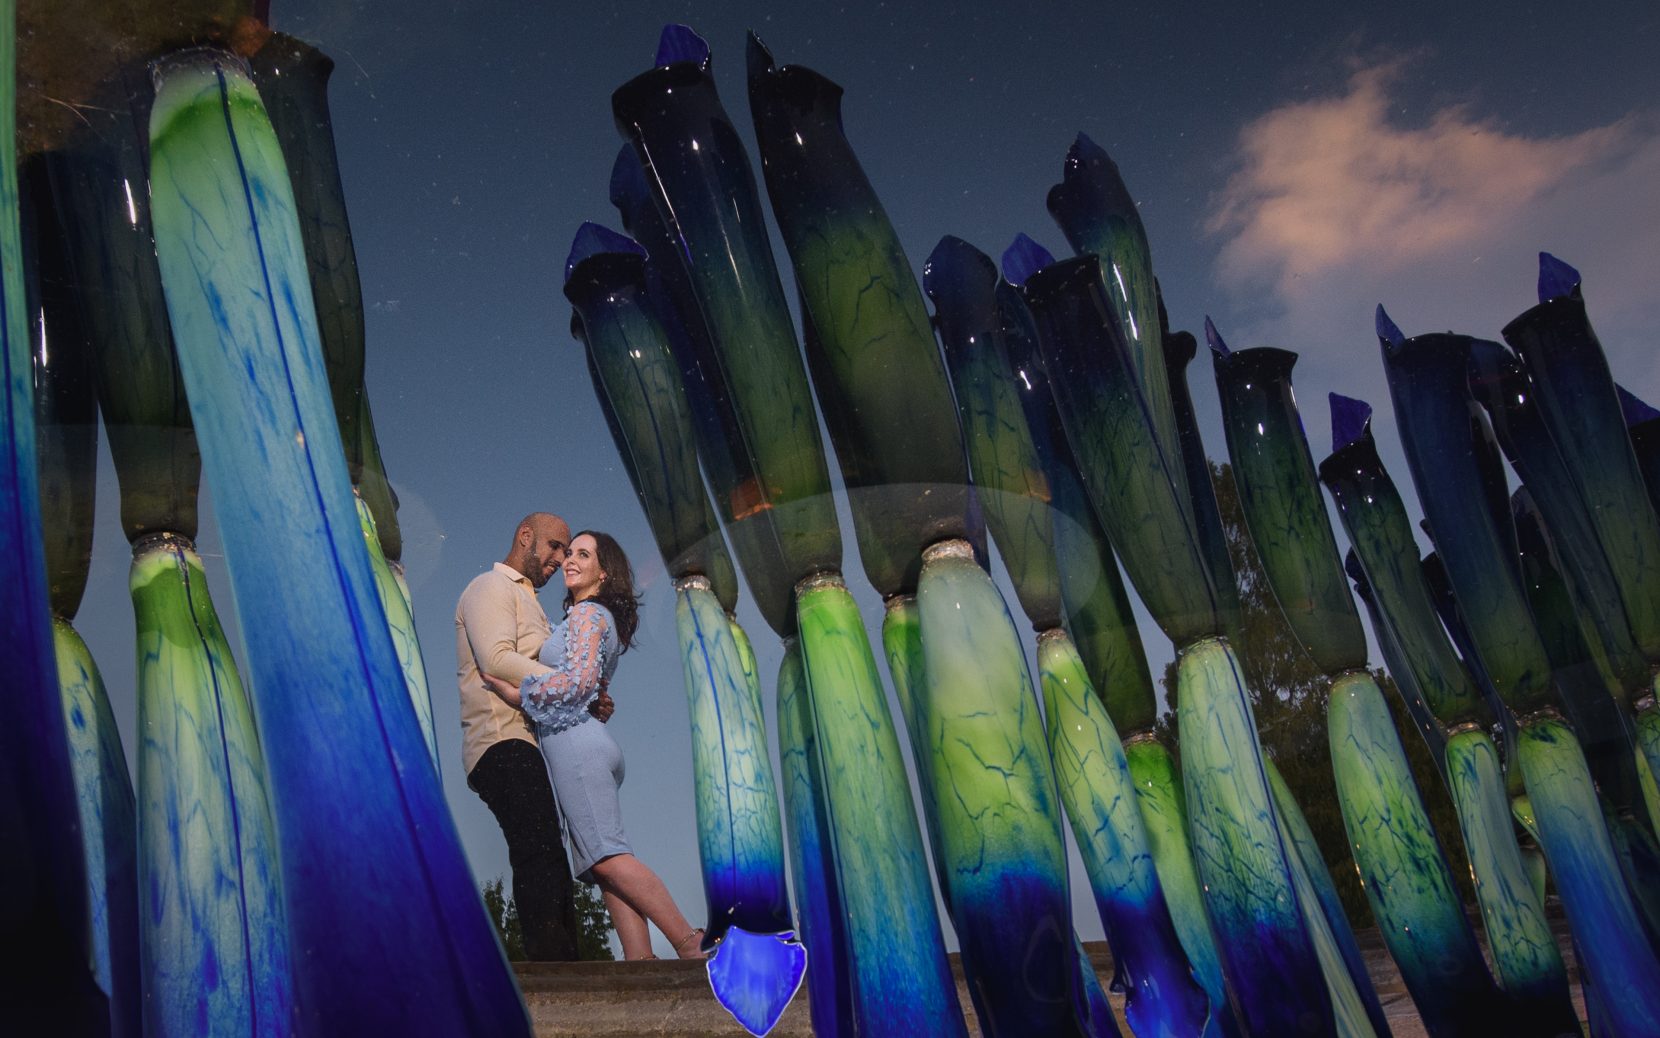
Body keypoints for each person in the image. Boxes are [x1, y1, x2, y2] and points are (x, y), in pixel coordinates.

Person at [483, 531, 705, 961]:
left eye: (582, 555)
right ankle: (640, 962)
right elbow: (593, 689)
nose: (569, 560)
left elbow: (578, 683)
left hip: (576, 746)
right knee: (602, 864)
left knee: (606, 858)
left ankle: (689, 941)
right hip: (586, 742)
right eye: (569, 553)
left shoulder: (587, 614)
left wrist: (518, 694)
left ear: (603, 574)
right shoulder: (593, 619)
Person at [455, 512, 594, 961]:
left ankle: (567, 966)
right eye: (555, 546)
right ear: (525, 537)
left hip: (527, 742)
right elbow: (496, 659)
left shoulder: (531, 601)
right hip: (500, 740)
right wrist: (573, 683)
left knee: (549, 851)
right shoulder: (489, 588)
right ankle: (556, 974)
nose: (561, 558)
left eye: (568, 550)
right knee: (538, 849)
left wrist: (581, 693)